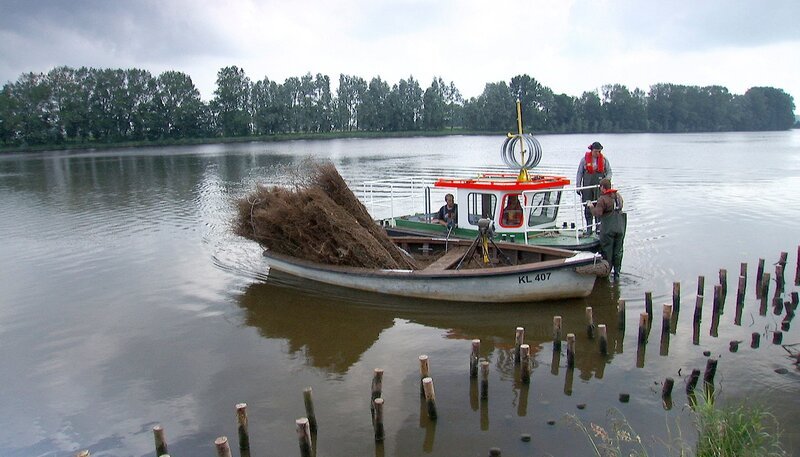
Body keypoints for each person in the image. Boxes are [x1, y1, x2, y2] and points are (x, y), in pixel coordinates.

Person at [587, 178, 625, 279]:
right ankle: (617, 274)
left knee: (607, 252)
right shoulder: (617, 196)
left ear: (603, 188)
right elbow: (621, 206)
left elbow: (597, 213)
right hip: (620, 228)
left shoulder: (602, 199)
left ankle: (606, 274)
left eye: (600, 187)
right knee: (618, 252)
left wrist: (591, 206)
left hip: (608, 229)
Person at [576, 141, 612, 234]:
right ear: (592, 150)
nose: (598, 153)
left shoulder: (604, 160)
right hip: (587, 188)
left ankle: (598, 229)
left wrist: (606, 182)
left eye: (599, 151)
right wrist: (578, 186)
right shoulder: (584, 160)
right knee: (588, 208)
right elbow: (579, 173)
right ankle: (588, 229)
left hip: (599, 189)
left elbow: (609, 172)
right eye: (596, 151)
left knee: (599, 207)